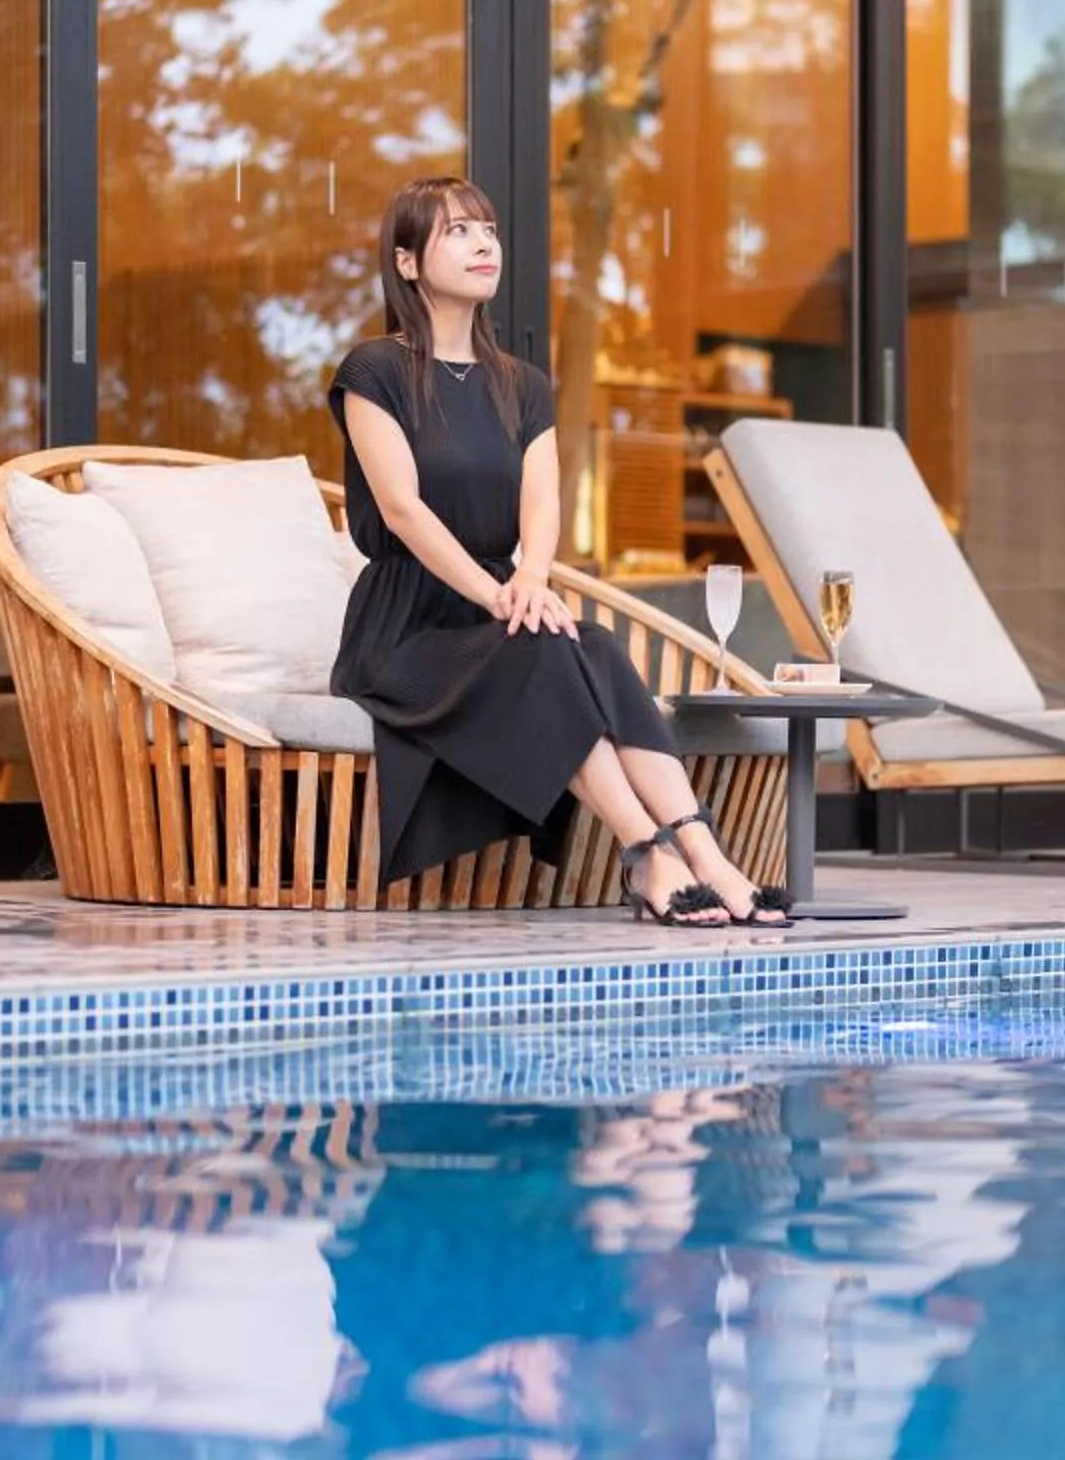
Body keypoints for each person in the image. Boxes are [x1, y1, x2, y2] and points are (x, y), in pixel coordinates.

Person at [328, 177, 788, 929]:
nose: (484, 245)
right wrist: (499, 595)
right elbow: (404, 511)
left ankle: (706, 855)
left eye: (489, 230)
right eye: (456, 232)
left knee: (596, 648)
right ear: (407, 264)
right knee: (540, 647)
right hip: (406, 631)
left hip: (502, 605)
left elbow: (541, 503)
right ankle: (644, 852)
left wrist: (531, 578)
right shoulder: (373, 373)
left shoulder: (523, 385)